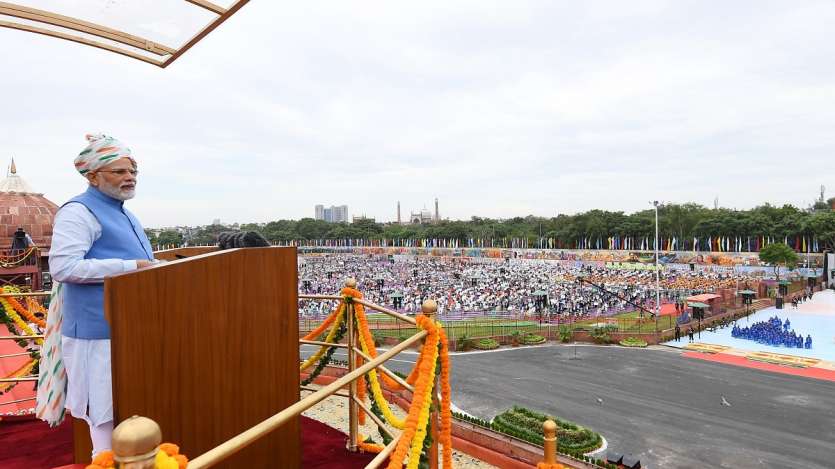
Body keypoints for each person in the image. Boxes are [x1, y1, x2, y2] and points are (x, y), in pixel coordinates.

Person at [49, 134, 157, 457]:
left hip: (130, 333)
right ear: (93, 176)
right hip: (96, 337)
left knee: (130, 416)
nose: (130, 178)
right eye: (120, 172)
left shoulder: (126, 213)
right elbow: (63, 266)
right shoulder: (78, 212)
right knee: (105, 424)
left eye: (133, 171)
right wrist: (131, 267)